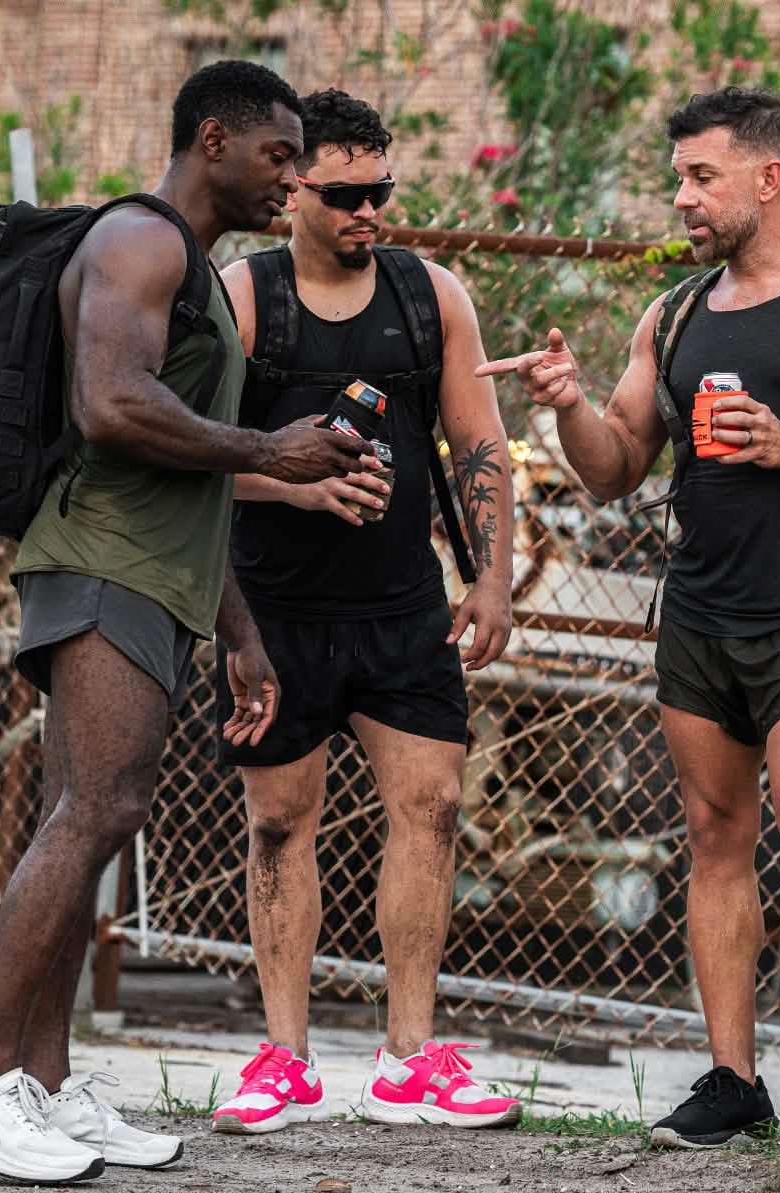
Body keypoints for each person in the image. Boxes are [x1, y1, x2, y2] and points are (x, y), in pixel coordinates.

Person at [0, 62, 373, 1185]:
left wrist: (241, 630)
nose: (295, 179)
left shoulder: (195, 270)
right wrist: (275, 450)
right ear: (212, 138)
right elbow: (111, 407)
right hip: (101, 562)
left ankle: (49, 1088)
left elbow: (189, 465)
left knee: (97, 818)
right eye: (279, 156)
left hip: (161, 576)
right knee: (96, 808)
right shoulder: (141, 238)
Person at [478, 87, 780, 1153]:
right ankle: (734, 1081)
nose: (680, 196)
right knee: (712, 835)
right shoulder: (677, 315)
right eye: (679, 177)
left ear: (768, 177)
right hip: (697, 610)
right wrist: (566, 405)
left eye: (701, 176)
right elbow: (613, 472)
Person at [209, 88, 519, 1135]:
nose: (369, 210)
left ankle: (410, 1059)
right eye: (346, 193)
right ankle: (282, 1061)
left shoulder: (432, 295)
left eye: (382, 189)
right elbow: (183, 459)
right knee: (277, 822)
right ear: (293, 186)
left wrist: (491, 577)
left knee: (430, 808)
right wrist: (292, 486)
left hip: (401, 610)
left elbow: (477, 443)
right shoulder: (243, 297)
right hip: (276, 614)